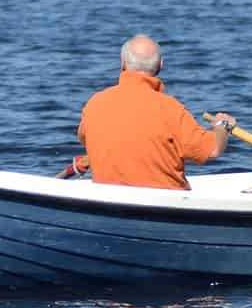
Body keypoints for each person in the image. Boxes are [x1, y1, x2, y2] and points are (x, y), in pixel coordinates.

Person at [77, 35, 236, 191]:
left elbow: (86, 139)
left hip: (109, 200)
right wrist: (221, 126)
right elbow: (213, 150)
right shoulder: (170, 109)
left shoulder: (94, 103)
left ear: (123, 63)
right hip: (167, 202)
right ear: (160, 65)